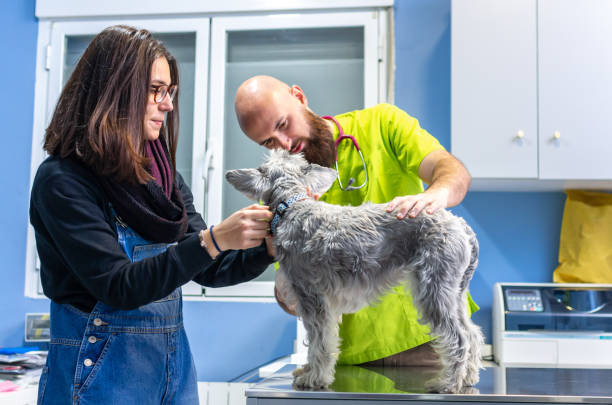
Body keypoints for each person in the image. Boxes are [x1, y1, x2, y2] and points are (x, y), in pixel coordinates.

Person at [30, 26, 275, 405]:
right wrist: (213, 240)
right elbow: (119, 286)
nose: (168, 104)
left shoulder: (163, 179)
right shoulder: (63, 181)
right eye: (156, 90)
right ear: (115, 90)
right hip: (97, 379)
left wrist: (266, 249)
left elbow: (211, 268)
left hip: (171, 375)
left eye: (170, 92)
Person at [234, 75, 479, 368]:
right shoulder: (283, 195)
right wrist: (285, 276)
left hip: (424, 345)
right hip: (348, 359)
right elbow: (293, 302)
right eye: (270, 142)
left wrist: (438, 193)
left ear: (298, 97)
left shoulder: (382, 124)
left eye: (283, 125)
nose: (286, 144)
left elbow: (451, 171)